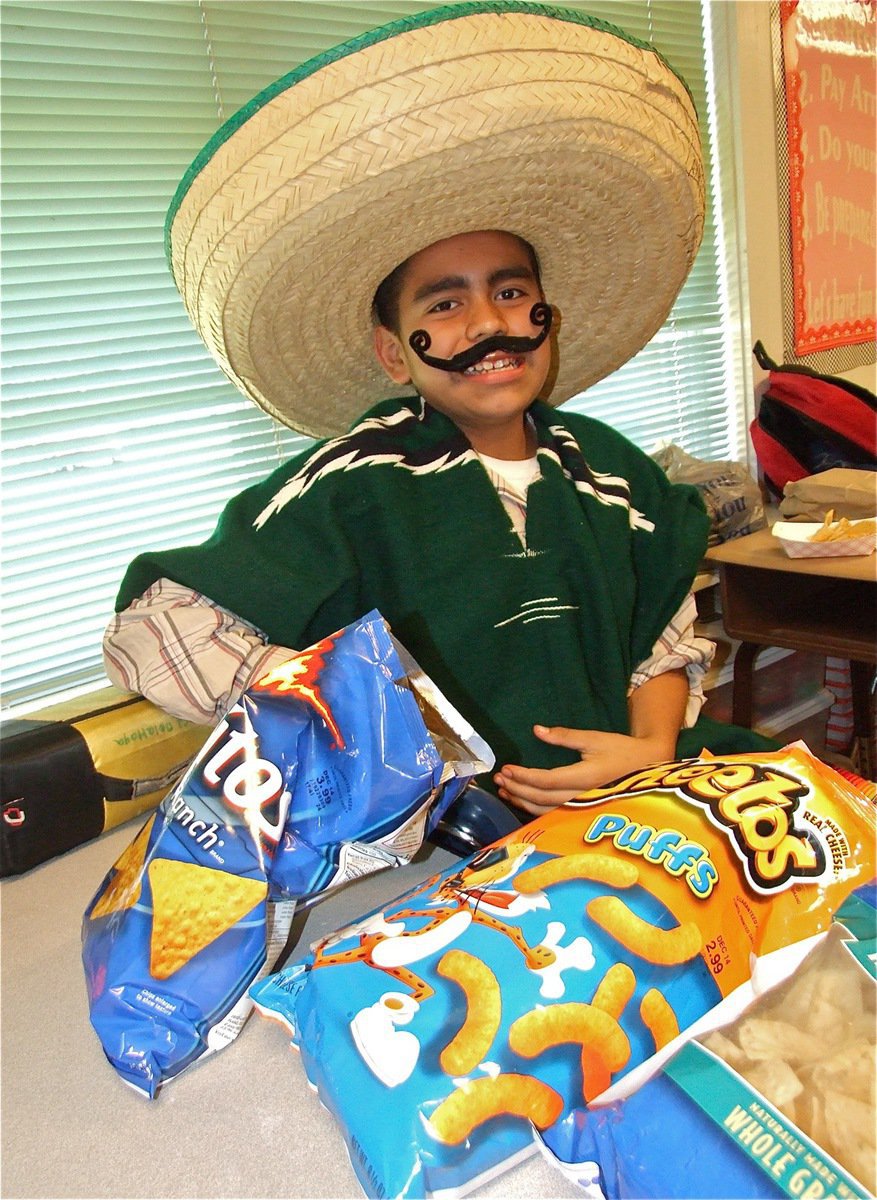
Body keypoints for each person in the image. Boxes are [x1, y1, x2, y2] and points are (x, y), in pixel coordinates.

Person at [104, 3, 776, 823]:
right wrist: (382, 738)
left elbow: (662, 637)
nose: (488, 324)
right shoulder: (354, 482)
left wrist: (649, 748)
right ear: (394, 353)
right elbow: (153, 631)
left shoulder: (607, 467)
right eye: (446, 303)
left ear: (546, 318)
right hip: (473, 843)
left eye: (509, 292)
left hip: (644, 798)